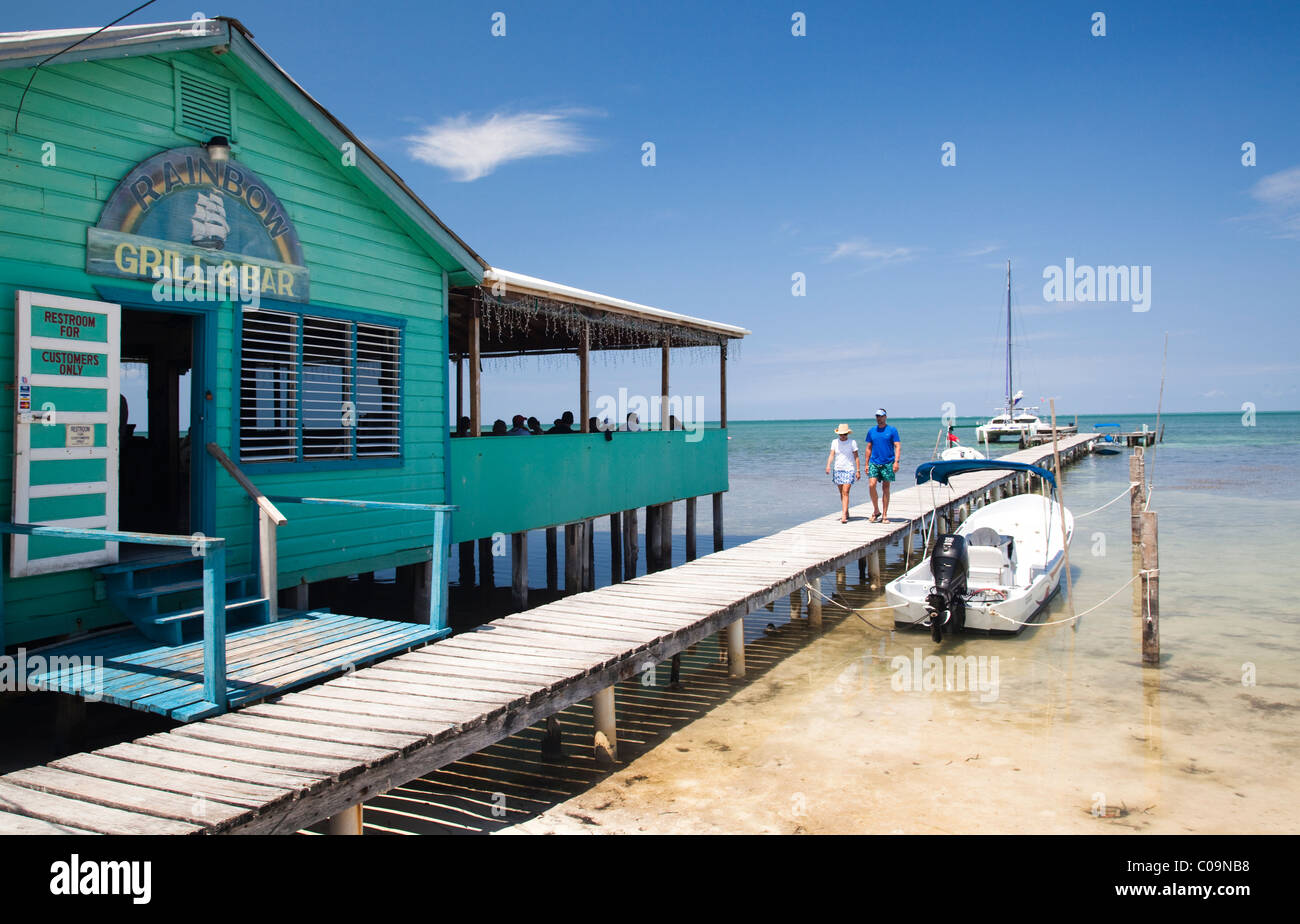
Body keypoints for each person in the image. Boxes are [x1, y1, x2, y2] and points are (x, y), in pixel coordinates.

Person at [863, 408, 901, 522]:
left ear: (885, 417)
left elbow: (897, 446)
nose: (879, 418)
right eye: (877, 416)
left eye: (881, 416)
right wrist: (866, 464)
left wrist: (896, 462)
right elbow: (868, 448)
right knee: (871, 485)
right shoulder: (872, 431)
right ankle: (876, 510)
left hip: (888, 462)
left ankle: (884, 514)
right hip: (874, 462)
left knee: (886, 488)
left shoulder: (892, 430)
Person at [824, 423, 860, 524]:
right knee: (841, 493)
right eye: (841, 434)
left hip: (849, 469)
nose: (842, 436)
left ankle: (843, 515)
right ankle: (846, 510)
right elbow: (832, 455)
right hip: (838, 469)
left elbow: (856, 457)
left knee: (846, 492)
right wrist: (828, 465)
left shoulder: (852, 442)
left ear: (847, 434)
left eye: (844, 434)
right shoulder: (834, 442)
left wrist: (858, 470)